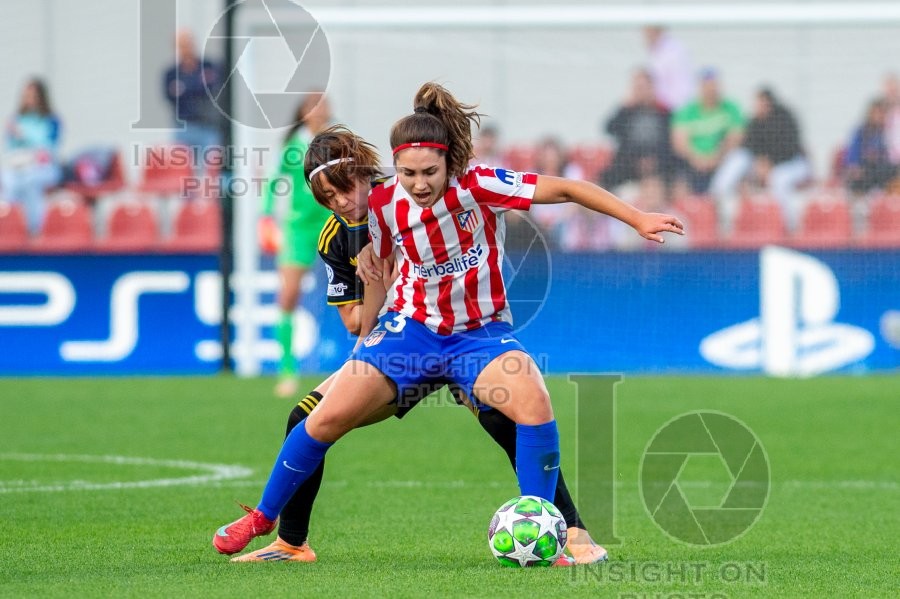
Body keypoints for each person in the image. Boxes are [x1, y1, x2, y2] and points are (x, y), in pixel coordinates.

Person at [211, 82, 683, 560]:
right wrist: (366, 339)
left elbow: (565, 187)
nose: (418, 184)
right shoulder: (379, 205)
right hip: (411, 331)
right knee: (317, 417)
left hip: (478, 335)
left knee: (530, 405)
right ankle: (267, 522)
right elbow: (375, 275)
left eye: (428, 173)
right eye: (408, 173)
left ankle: (554, 531)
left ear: (446, 164)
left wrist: (636, 217)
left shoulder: (478, 183)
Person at [258, 93, 335, 397]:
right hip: (299, 229)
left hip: (333, 222)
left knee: (360, 289)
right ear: (304, 113)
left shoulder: (336, 143)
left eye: (325, 105)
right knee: (288, 295)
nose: (321, 110)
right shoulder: (294, 147)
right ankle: (287, 370)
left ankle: (363, 364)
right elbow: (274, 182)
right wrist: (266, 218)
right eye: (314, 105)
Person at [709, 87, 811, 231]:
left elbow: (790, 148)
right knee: (738, 158)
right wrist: (754, 169)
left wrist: (770, 164)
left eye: (759, 103)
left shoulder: (785, 118)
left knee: (779, 179)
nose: (756, 107)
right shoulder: (755, 122)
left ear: (768, 103)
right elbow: (749, 148)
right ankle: (715, 199)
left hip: (792, 164)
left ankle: (788, 226)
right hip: (764, 167)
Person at [1, 78, 62, 235]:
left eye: (33, 95)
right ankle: (9, 228)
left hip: (44, 168)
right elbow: (11, 147)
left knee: (30, 183)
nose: (29, 99)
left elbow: (49, 147)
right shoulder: (16, 119)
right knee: (8, 182)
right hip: (19, 166)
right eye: (26, 95)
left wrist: (24, 136)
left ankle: (34, 230)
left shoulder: (52, 120)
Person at [671, 68, 745, 195]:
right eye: (707, 86)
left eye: (714, 86)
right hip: (692, 163)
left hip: (722, 161)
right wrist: (696, 158)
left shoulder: (731, 108)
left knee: (740, 160)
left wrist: (717, 157)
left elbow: (736, 137)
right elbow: (679, 142)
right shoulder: (688, 110)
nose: (711, 90)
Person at [602, 68, 676, 190]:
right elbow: (609, 129)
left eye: (644, 87)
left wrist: (653, 160)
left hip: (658, 164)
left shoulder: (664, 112)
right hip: (628, 164)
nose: (641, 92)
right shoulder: (627, 111)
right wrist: (623, 107)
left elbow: (669, 142)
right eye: (638, 88)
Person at [163, 29, 223, 162]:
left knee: (211, 166)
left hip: (208, 126)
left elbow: (214, 90)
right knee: (182, 168)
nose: (186, 48)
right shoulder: (171, 73)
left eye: (188, 43)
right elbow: (170, 97)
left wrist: (185, 88)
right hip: (183, 128)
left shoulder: (209, 66)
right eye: (182, 45)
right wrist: (197, 84)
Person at [844, 98, 896, 195]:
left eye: (881, 113)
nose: (879, 116)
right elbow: (852, 155)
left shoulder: (886, 132)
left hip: (881, 170)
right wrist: (854, 166)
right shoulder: (861, 131)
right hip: (864, 170)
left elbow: (889, 156)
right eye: (876, 113)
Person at [643, 25, 694, 112]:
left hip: (673, 108)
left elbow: (681, 87)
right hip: (664, 106)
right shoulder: (657, 51)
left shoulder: (673, 52)